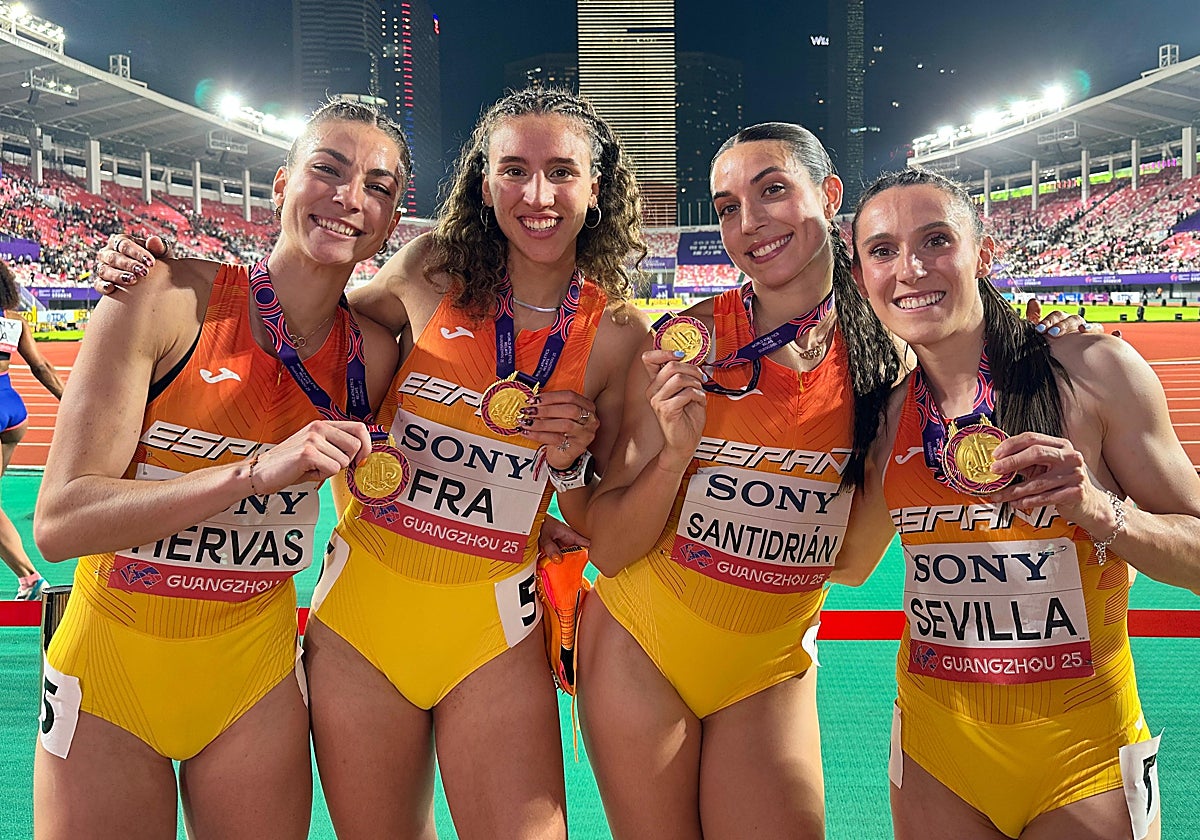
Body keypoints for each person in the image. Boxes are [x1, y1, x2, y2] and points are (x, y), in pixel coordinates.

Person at [97, 86, 648, 839]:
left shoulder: (617, 333)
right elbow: (309, 325)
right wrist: (176, 275)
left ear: (597, 186)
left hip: (492, 632)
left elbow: (592, 516)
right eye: (513, 170)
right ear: (485, 186)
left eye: (562, 171)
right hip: (359, 625)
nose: (538, 194)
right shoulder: (430, 272)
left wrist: (572, 467)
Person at [33, 100, 409, 840]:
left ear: (392, 221)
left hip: (255, 683)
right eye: (326, 170)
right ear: (278, 185)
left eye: (377, 185)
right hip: (111, 670)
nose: (349, 197)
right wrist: (251, 472)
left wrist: (539, 524)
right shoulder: (164, 297)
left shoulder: (374, 351)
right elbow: (59, 522)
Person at [850, 167, 1200, 840]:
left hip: (1084, 759)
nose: (911, 268)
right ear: (864, 273)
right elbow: (843, 564)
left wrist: (1102, 512)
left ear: (983, 254)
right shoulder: (887, 414)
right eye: (884, 250)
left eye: (935, 240)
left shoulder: (1092, 372)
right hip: (935, 755)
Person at [578, 122, 901, 839]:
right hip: (641, 647)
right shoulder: (686, 344)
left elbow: (849, 565)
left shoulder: (890, 360)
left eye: (772, 190)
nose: (748, 223)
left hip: (770, 664)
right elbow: (608, 547)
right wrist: (672, 458)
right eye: (727, 207)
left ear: (830, 193)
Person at [0, 260, 63, 599]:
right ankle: (27, 580)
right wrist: (68, 402)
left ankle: (31, 578)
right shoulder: (14, 321)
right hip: (11, 410)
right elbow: (41, 366)